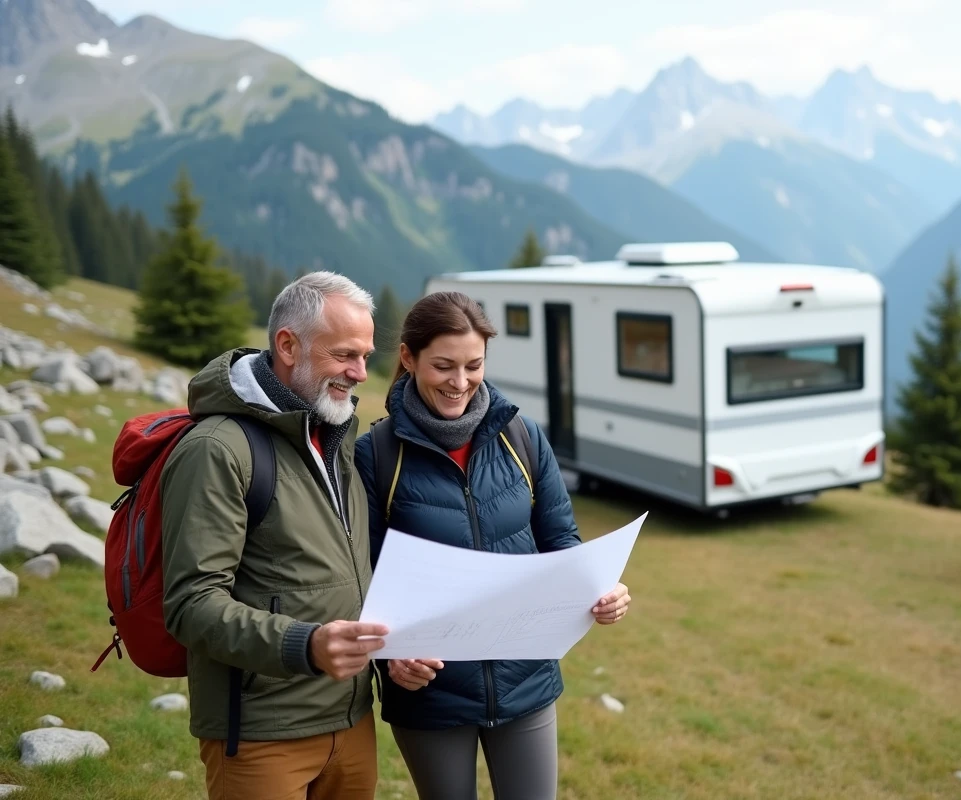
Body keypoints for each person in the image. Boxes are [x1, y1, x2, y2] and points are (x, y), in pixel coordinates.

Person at [353, 290, 633, 800]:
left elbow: (561, 544)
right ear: (409, 358)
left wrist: (600, 590)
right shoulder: (376, 454)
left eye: (474, 365)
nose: (460, 382)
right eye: (443, 366)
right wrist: (391, 656)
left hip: (526, 679)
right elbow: (360, 576)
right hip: (429, 693)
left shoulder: (522, 437)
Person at [160, 271, 388, 800]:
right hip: (262, 733)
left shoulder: (335, 432)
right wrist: (305, 645)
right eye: (344, 356)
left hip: (352, 721)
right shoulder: (216, 449)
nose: (359, 373)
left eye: (366, 356)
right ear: (288, 345)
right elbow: (191, 604)